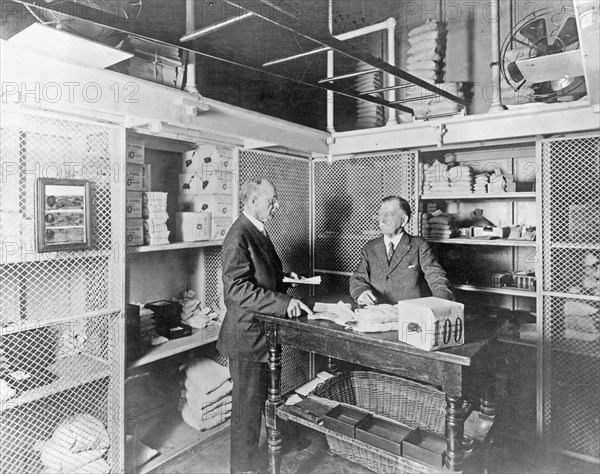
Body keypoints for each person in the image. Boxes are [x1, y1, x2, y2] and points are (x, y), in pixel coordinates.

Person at [217, 178, 312, 474]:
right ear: (252, 201)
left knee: (264, 398)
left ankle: (276, 441)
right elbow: (237, 290)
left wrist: (287, 278)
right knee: (246, 409)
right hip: (246, 335)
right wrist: (285, 304)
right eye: (271, 201)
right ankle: (242, 468)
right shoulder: (238, 235)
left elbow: (263, 275)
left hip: (262, 333)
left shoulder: (257, 230)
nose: (276, 205)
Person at [349, 196, 454, 305]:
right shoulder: (370, 247)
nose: (382, 219)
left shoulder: (419, 245)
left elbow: (437, 277)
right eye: (380, 214)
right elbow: (358, 277)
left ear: (403, 220)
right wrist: (362, 292)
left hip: (409, 313)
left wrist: (441, 304)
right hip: (377, 311)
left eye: (388, 214)